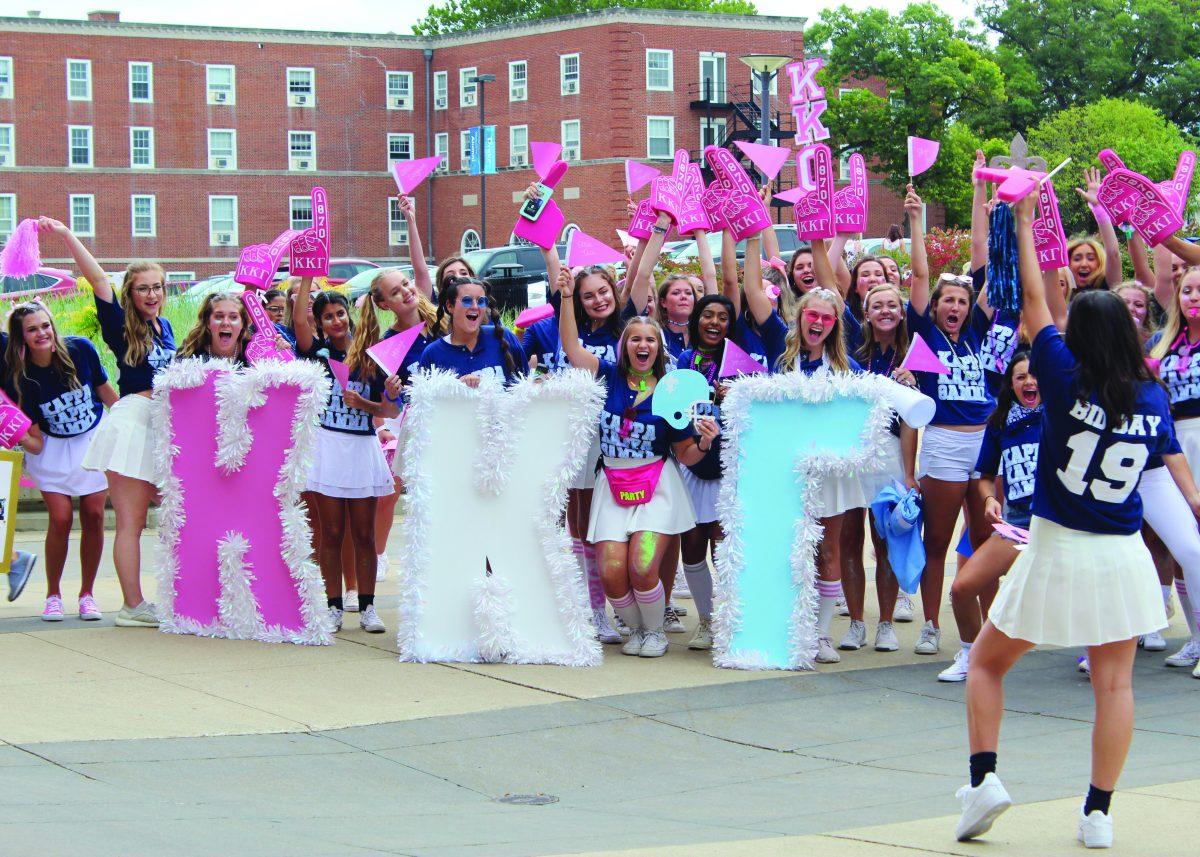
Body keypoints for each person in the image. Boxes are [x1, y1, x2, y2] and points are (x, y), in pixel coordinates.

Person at [955, 193, 1197, 849]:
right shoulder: (1153, 395)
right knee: (1115, 684)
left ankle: (984, 778)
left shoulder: (1062, 374)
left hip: (1058, 544)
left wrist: (1023, 218)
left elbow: (1035, 300)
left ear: (1079, 338)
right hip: (1122, 553)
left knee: (985, 663)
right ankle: (1099, 812)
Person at [560, 288, 715, 659]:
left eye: (650, 339)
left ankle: (655, 630)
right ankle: (636, 627)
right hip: (611, 483)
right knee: (612, 571)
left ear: (658, 349)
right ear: (624, 346)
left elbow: (686, 454)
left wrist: (706, 443)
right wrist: (566, 298)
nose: (642, 345)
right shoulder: (607, 377)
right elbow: (570, 347)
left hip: (657, 484)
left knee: (643, 565)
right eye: (635, 339)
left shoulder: (670, 389)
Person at [41, 216, 174, 628]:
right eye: (142, 288)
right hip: (133, 423)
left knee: (175, 512)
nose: (151, 295)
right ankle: (133, 606)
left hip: (165, 427)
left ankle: (176, 594)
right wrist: (66, 235)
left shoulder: (166, 327)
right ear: (130, 294)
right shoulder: (122, 326)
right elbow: (98, 279)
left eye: (157, 287)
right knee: (131, 521)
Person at [905, 182, 996, 657]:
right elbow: (920, 274)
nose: (956, 307)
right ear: (936, 307)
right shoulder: (925, 333)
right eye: (948, 301)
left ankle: (985, 630)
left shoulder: (979, 329)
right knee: (937, 539)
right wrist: (917, 220)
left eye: (962, 301)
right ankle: (930, 624)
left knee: (983, 539)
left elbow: (983, 259)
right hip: (941, 443)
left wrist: (984, 200)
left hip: (983, 446)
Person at [294, 276, 399, 634]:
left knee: (364, 533)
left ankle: (368, 607)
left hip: (361, 449)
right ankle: (333, 606)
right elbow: (297, 324)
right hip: (328, 449)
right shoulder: (317, 355)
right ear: (319, 322)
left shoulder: (370, 355)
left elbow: (389, 410)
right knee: (331, 532)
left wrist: (366, 401)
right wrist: (307, 276)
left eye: (341, 314)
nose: (336, 321)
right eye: (328, 317)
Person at [2, 303, 108, 619]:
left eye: (45, 325)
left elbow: (106, 393)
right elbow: (34, 444)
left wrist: (130, 425)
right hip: (52, 451)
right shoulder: (20, 377)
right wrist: (15, 432)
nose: (42, 333)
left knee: (94, 516)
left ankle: (87, 594)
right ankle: (53, 595)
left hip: (92, 442)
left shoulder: (80, 349)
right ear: (21, 338)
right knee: (60, 518)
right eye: (32, 329)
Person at [939, 352, 1040, 682]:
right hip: (1020, 523)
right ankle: (970, 652)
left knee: (1087, 588)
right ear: (1011, 384)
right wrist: (989, 499)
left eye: (1035, 375)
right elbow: (984, 475)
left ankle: (1096, 653)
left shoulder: (1064, 417)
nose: (1029, 382)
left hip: (1061, 522)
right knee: (963, 588)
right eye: (1021, 376)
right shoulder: (999, 423)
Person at [776, 284, 864, 663]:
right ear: (800, 316)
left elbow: (865, 411)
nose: (819, 323)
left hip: (830, 475)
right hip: (787, 472)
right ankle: (790, 627)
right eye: (813, 315)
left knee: (829, 550)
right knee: (790, 551)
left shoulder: (847, 368)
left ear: (835, 326)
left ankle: (821, 634)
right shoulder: (779, 360)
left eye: (827, 318)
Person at [841, 281, 920, 653]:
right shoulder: (850, 352)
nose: (886, 311)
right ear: (866, 314)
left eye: (893, 305)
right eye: (878, 306)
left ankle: (885, 623)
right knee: (849, 539)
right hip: (852, 454)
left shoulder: (912, 355)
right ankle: (856, 622)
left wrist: (908, 472)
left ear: (901, 312)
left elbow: (910, 423)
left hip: (889, 455)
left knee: (885, 540)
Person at [348, 267, 440, 580]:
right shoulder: (389, 346)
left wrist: (412, 220)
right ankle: (378, 557)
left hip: (454, 421)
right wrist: (389, 396)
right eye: (396, 292)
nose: (406, 291)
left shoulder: (443, 324)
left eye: (406, 284)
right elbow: (389, 408)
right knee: (390, 493)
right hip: (412, 423)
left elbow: (422, 273)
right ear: (385, 305)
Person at [419, 277, 526, 386]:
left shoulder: (503, 336)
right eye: (467, 300)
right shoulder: (432, 353)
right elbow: (426, 401)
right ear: (449, 306)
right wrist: (456, 388)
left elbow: (527, 387)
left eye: (481, 301)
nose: (475, 307)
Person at [175, 292, 251, 364]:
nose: (225, 323)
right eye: (219, 316)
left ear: (243, 323)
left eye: (233, 317)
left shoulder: (254, 351)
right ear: (208, 322)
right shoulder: (190, 354)